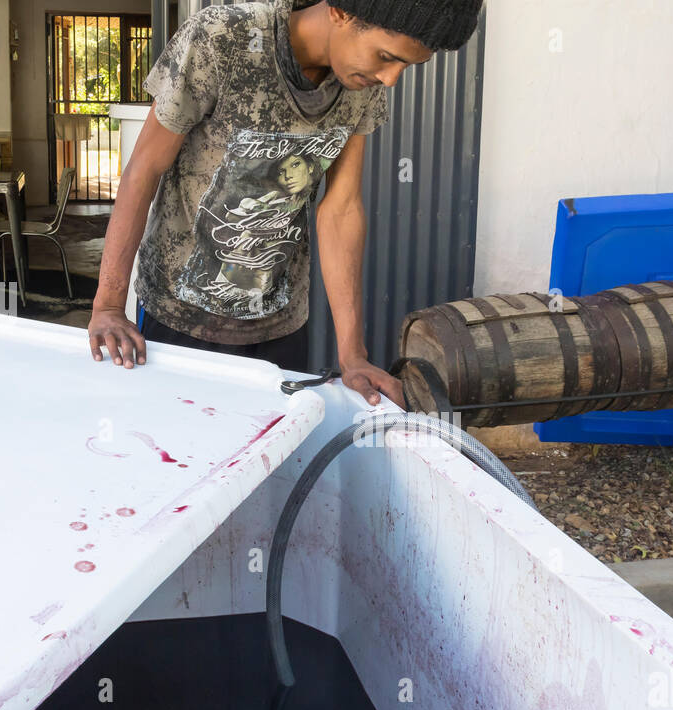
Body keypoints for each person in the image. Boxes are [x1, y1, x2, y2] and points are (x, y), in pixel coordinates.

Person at [87, 0, 483, 407]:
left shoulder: (361, 83)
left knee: (273, 454)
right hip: (179, 318)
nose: (391, 78)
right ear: (341, 12)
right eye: (386, 57)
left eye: (405, 66)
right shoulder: (223, 38)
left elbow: (342, 208)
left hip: (280, 326)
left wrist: (353, 356)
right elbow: (144, 169)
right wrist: (110, 304)